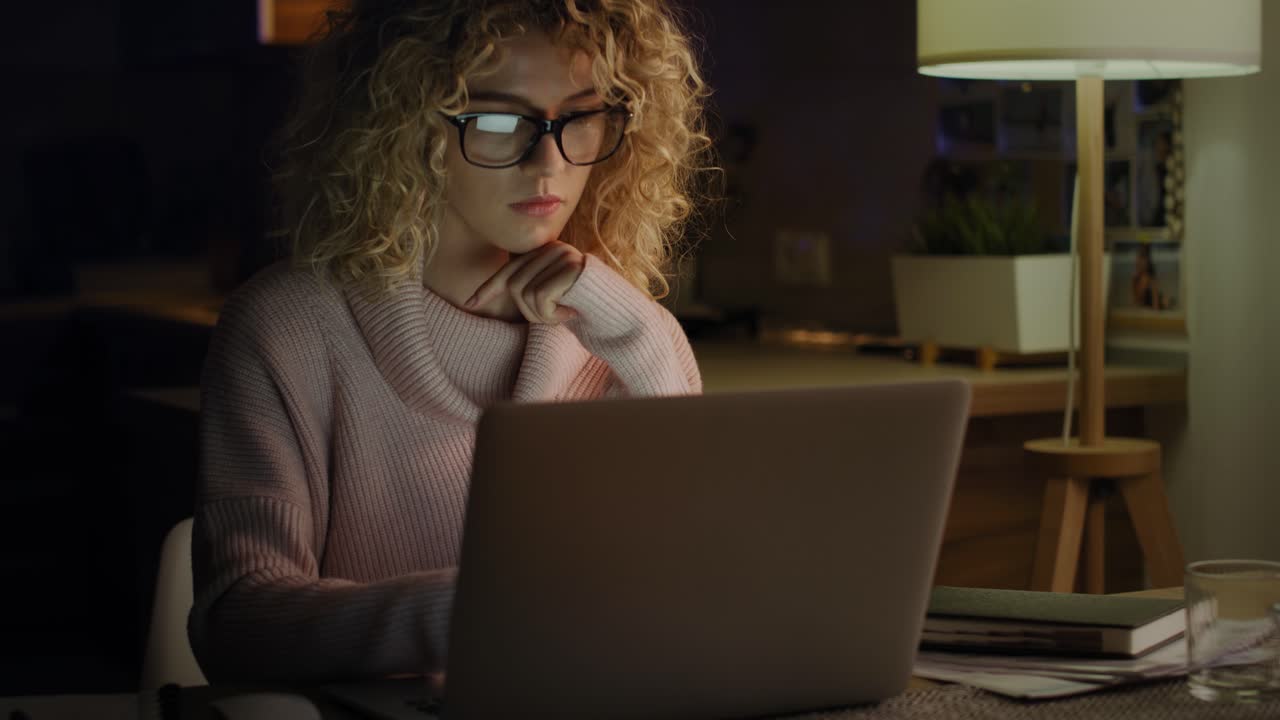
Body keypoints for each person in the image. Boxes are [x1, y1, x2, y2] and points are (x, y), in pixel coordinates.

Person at [189, 0, 712, 683]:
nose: (548, 162)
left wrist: (639, 329)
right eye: (498, 120)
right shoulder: (286, 328)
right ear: (403, 129)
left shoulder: (616, 328)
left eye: (581, 118)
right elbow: (238, 620)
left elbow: (702, 572)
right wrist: (480, 613)